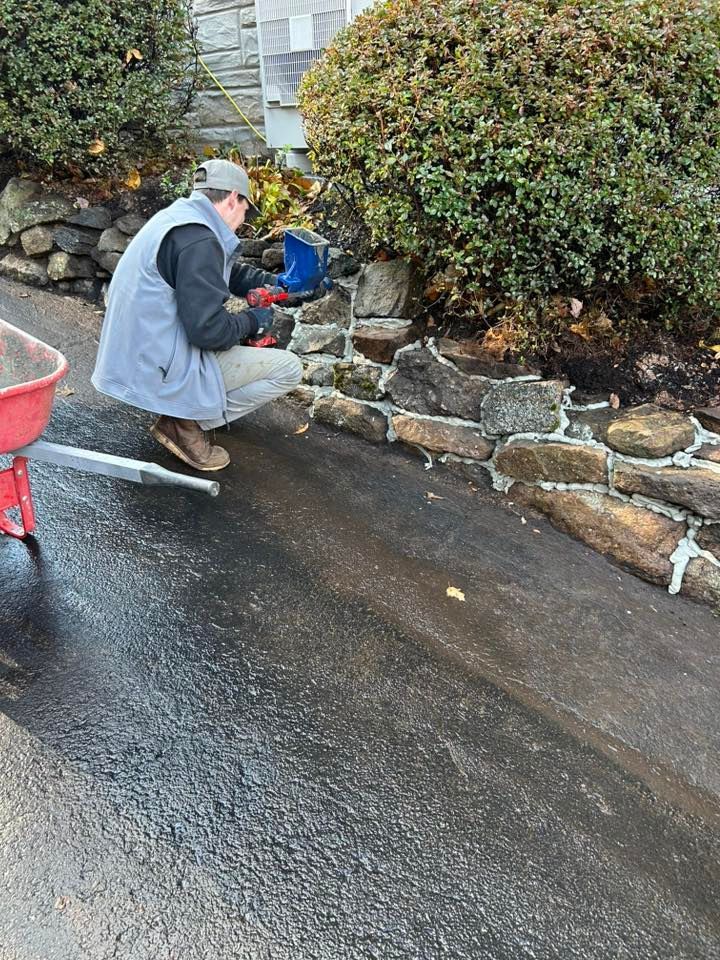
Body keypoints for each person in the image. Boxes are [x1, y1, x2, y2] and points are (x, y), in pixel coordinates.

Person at [92, 159, 303, 471]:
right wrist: (253, 321)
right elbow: (208, 332)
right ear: (233, 198)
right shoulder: (201, 240)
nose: (244, 219)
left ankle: (184, 411)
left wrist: (278, 285)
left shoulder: (179, 221)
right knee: (288, 368)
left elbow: (226, 274)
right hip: (155, 366)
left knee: (238, 345)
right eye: (245, 210)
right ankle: (184, 422)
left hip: (134, 355)